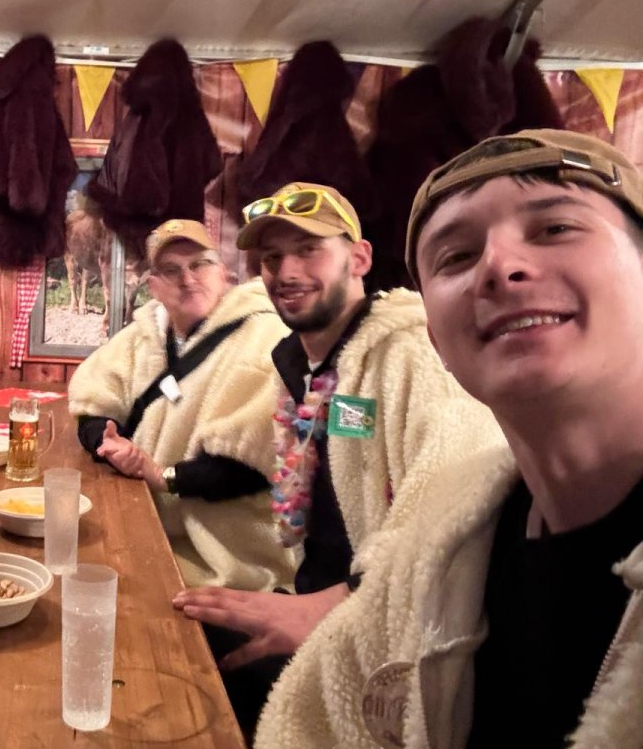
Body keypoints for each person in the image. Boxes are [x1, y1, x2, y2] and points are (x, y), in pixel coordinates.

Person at [255, 130, 643, 747]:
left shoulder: (398, 357)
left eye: (555, 228)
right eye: (457, 257)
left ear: (359, 259)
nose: (499, 267)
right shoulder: (449, 548)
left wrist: (329, 601)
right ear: (441, 338)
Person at [173, 182, 503, 740]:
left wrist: (340, 602)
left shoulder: (410, 353)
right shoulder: (299, 364)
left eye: (308, 250)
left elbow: (461, 500)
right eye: (272, 258)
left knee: (195, 693)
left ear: (359, 258)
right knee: (178, 637)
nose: (286, 271)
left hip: (388, 632)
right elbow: (253, 458)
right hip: (312, 595)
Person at [68, 219, 295, 591]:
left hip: (229, 554)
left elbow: (256, 463)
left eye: (199, 264)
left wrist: (164, 476)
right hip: (144, 524)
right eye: (171, 270)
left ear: (223, 274)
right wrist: (106, 441)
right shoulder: (143, 334)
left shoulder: (266, 337)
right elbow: (93, 398)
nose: (187, 279)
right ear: (153, 286)